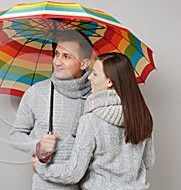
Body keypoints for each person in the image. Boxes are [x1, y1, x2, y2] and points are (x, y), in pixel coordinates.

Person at [34, 52, 155, 190]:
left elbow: (73, 174)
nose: (89, 77)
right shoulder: (142, 116)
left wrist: (41, 168)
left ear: (109, 81)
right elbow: (148, 161)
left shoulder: (92, 119)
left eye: (95, 74)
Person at [9, 29, 93, 190]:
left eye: (66, 56)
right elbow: (15, 135)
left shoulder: (96, 95)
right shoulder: (36, 92)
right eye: (56, 54)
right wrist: (38, 145)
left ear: (84, 63)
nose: (57, 62)